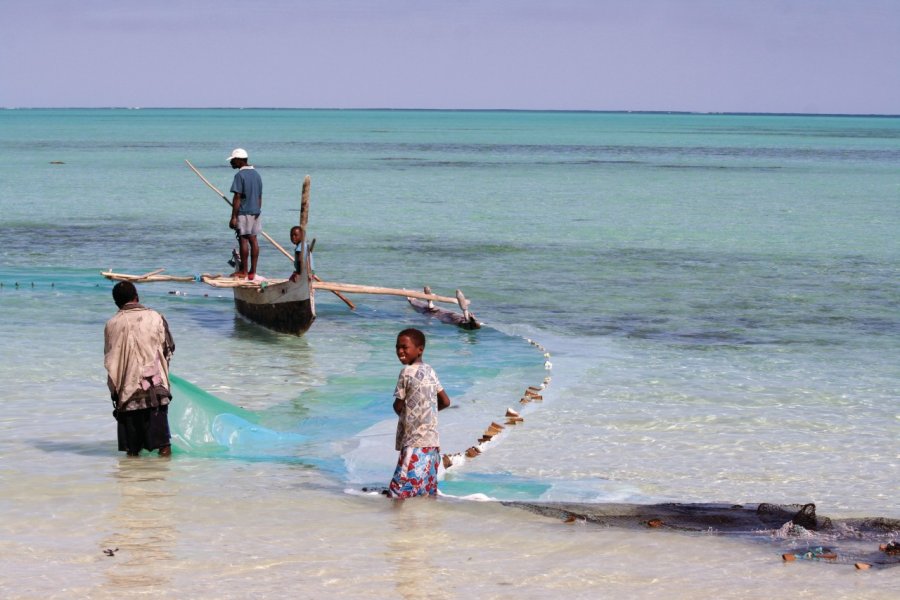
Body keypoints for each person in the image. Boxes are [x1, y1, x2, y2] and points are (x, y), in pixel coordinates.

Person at [104, 281, 176, 457]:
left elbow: (111, 360)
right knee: (163, 446)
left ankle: (131, 481)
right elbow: (169, 349)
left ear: (116, 303)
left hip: (127, 394)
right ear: (137, 297)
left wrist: (115, 393)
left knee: (132, 452)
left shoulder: (111, 324)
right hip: (155, 390)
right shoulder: (156, 317)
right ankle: (162, 480)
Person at [388, 328, 451, 498]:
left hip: (414, 443)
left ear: (420, 349)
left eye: (404, 347)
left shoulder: (406, 373)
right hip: (432, 444)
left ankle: (398, 524)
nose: (400, 351)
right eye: (397, 347)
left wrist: (411, 416)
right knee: (426, 493)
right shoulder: (430, 370)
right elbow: (445, 401)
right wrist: (426, 414)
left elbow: (397, 406)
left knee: (397, 493)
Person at [227, 148, 263, 280]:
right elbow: (259, 197)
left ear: (239, 160)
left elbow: (237, 197)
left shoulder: (240, 176)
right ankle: (252, 271)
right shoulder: (257, 174)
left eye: (233, 160)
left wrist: (233, 217)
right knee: (253, 239)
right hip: (256, 212)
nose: (231, 162)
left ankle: (244, 271)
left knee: (243, 240)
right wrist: (257, 210)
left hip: (244, 211)